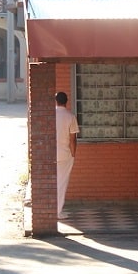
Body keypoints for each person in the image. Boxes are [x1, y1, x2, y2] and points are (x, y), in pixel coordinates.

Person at [55, 91, 80, 220]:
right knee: (61, 182)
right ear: (66, 101)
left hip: (51, 154)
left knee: (52, 182)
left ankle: (50, 209)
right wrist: (73, 154)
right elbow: (72, 139)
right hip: (65, 154)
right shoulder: (70, 116)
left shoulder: (50, 115)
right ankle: (57, 211)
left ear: (56, 101)